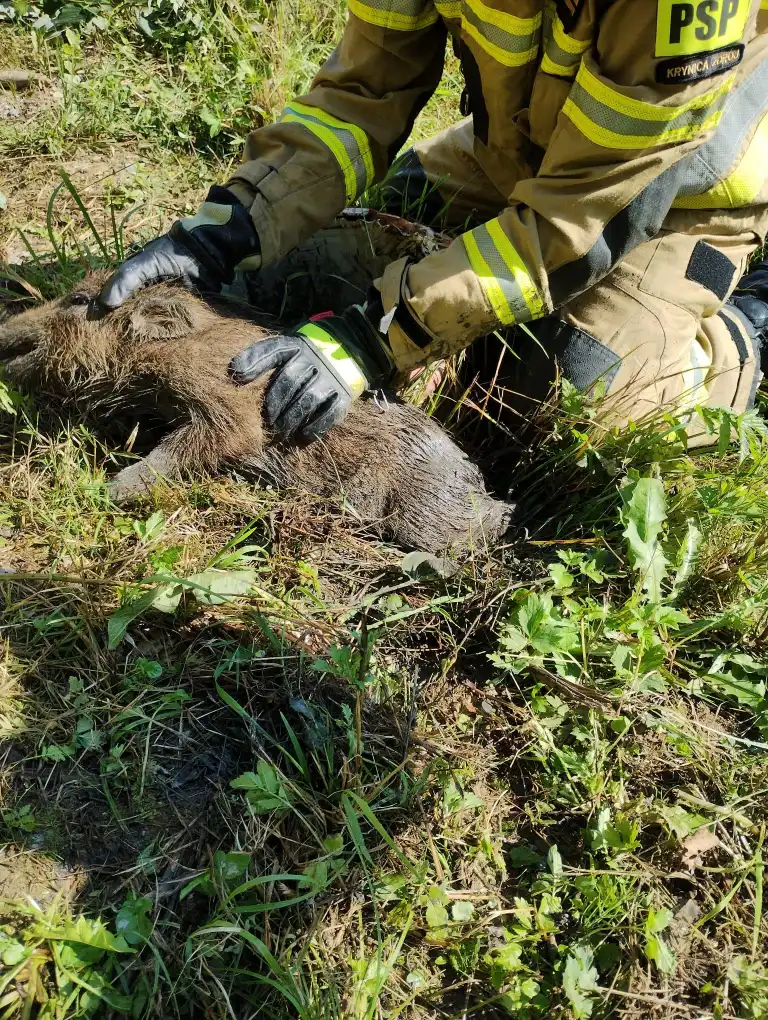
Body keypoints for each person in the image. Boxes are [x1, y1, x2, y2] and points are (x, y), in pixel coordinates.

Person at [94, 0, 768, 445]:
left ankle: (743, 334)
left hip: (674, 197)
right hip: (512, 152)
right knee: (302, 267)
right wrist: (228, 226)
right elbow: (362, 93)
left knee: (566, 397)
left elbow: (580, 220)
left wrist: (373, 337)